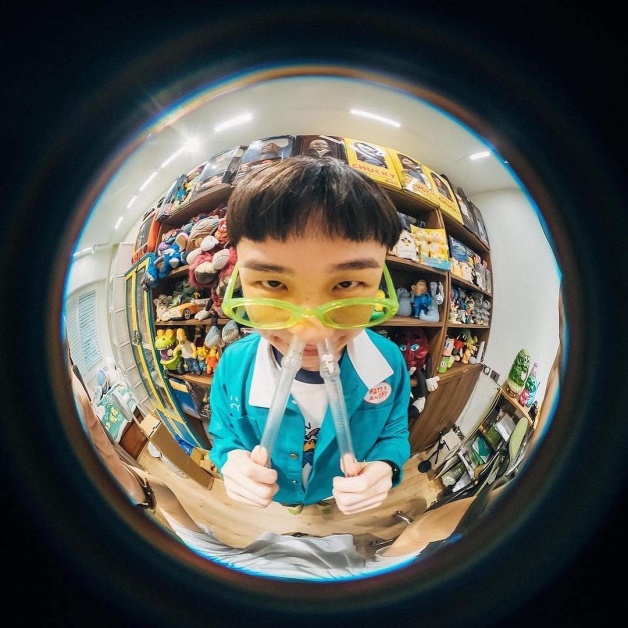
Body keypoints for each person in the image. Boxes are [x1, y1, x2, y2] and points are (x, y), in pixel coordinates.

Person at [209, 155, 411, 515]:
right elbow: (223, 432)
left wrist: (386, 465)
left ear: (380, 283)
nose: (312, 332)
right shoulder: (233, 365)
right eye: (273, 283)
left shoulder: (390, 362)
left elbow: (394, 431)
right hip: (277, 500)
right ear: (240, 281)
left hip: (334, 498)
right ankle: (295, 503)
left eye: (347, 284)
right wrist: (230, 459)